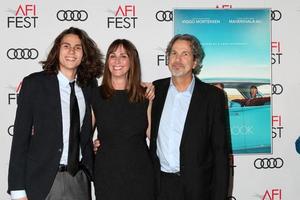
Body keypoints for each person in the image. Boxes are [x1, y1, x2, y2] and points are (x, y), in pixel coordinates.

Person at [7, 27, 104, 200]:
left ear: (84, 54)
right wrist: (17, 191)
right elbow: (20, 139)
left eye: (78, 47)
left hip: (79, 180)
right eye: (66, 46)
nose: (72, 51)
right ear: (57, 50)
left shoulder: (90, 86)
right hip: (43, 182)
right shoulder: (34, 84)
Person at [149, 34, 229, 200]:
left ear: (195, 62)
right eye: (173, 53)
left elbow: (220, 152)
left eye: (185, 54)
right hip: (160, 186)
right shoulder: (156, 90)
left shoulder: (213, 97)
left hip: (197, 189)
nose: (177, 59)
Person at [91, 39, 155, 200]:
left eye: (123, 56)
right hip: (107, 175)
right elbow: (83, 135)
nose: (117, 61)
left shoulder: (145, 95)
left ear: (132, 61)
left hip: (141, 174)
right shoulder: (95, 95)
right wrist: (89, 146)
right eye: (112, 56)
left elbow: (153, 136)